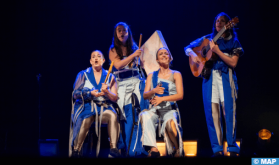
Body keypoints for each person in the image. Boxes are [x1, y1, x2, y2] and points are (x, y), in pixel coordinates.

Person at [184, 12, 244, 157]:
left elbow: (233, 63)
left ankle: (231, 147)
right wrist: (195, 57)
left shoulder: (234, 42)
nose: (219, 23)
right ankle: (216, 149)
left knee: (228, 112)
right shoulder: (208, 39)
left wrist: (217, 51)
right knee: (212, 113)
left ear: (229, 24)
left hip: (225, 76)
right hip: (210, 78)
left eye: (223, 21)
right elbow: (187, 48)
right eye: (217, 21)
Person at [69, 50, 121, 158]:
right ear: (90, 61)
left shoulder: (110, 76)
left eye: (99, 56)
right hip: (87, 107)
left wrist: (107, 92)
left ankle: (114, 148)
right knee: (86, 119)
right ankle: (76, 150)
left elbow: (115, 98)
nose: (96, 58)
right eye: (93, 57)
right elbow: (75, 94)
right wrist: (89, 93)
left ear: (103, 60)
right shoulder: (83, 74)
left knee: (112, 115)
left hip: (103, 107)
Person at [134, 47, 184, 157]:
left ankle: (177, 148)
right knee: (145, 115)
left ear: (170, 58)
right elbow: (145, 95)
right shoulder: (152, 75)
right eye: (161, 54)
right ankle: (154, 149)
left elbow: (180, 95)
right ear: (157, 60)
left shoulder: (176, 74)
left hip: (169, 108)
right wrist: (154, 91)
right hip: (155, 109)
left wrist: (162, 98)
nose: (164, 55)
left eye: (166, 54)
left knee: (170, 125)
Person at [108, 22, 149, 157]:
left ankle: (137, 148)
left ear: (128, 32)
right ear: (116, 33)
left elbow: (142, 65)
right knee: (126, 116)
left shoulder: (134, 47)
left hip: (136, 82)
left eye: (124, 30)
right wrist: (133, 56)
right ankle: (127, 148)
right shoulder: (113, 50)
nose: (121, 33)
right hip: (122, 85)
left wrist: (139, 58)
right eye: (119, 31)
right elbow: (118, 65)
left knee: (137, 114)